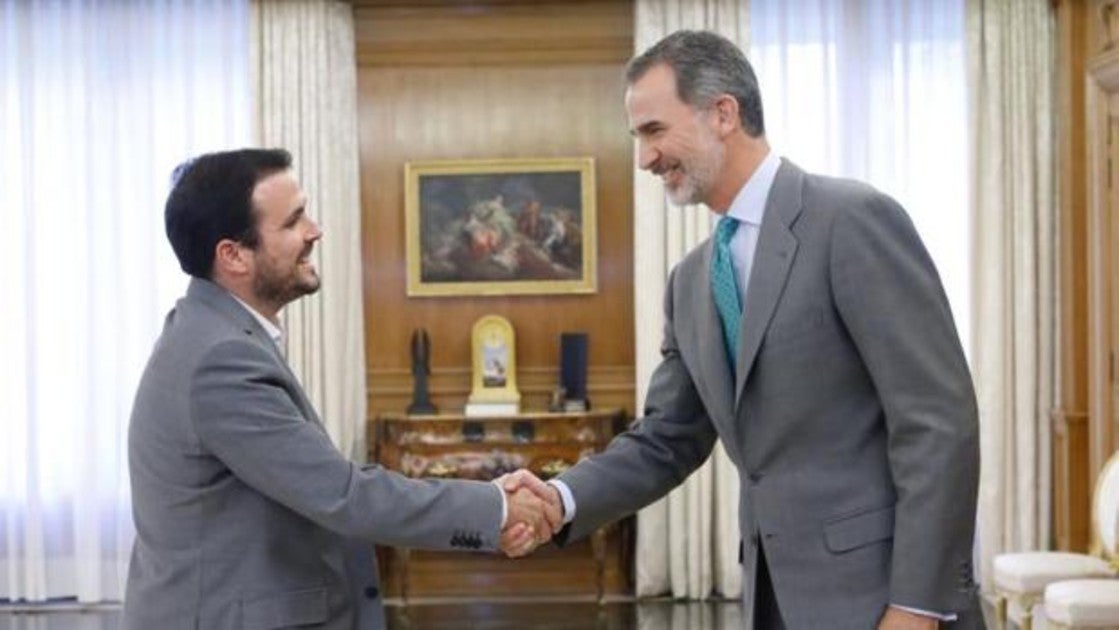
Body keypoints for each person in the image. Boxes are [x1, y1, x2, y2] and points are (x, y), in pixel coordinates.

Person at [504, 30, 982, 629]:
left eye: (654, 131)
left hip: (885, 601)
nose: (644, 159)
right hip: (771, 601)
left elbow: (938, 421)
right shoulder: (691, 281)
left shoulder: (852, 220)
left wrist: (916, 606)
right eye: (637, 138)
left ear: (723, 113)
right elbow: (667, 438)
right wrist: (560, 497)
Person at [124, 148, 555, 629]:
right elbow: (343, 495)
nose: (315, 230)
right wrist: (494, 508)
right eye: (292, 222)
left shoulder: (210, 334)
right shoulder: (220, 359)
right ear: (233, 256)